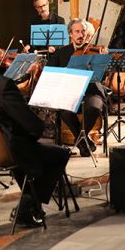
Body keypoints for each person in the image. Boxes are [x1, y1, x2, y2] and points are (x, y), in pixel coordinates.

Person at [0, 33, 70, 227]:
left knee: (25, 150)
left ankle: (30, 203)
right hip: (5, 152)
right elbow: (33, 127)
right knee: (59, 154)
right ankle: (27, 205)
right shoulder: (3, 85)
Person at [47, 18, 105, 156]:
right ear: (70, 34)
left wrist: (103, 61)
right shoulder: (61, 53)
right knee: (65, 111)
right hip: (69, 93)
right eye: (77, 31)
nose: (80, 35)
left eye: (83, 31)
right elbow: (51, 74)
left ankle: (80, 140)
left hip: (92, 92)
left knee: (94, 107)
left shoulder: (96, 51)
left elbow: (103, 76)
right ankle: (84, 141)